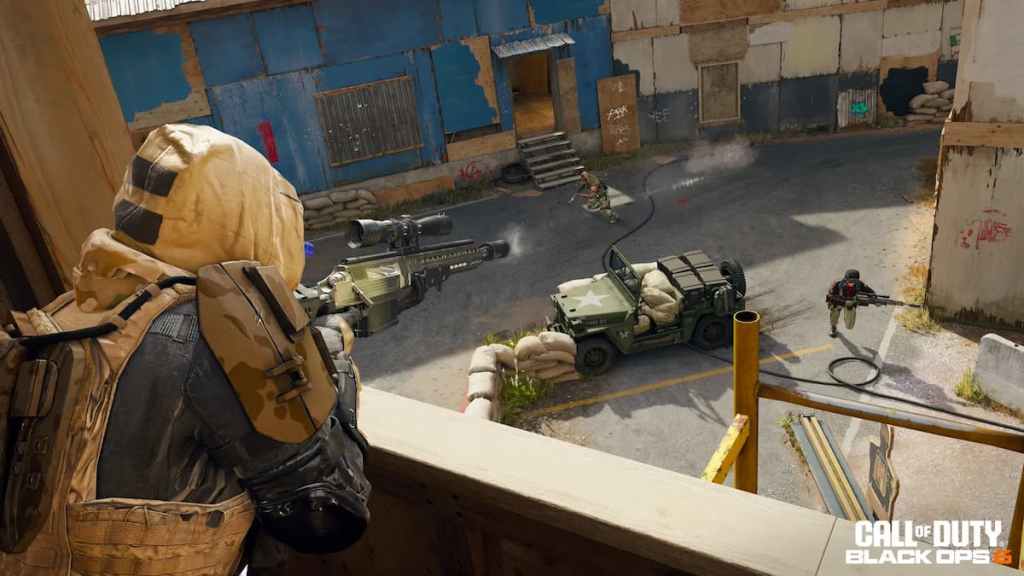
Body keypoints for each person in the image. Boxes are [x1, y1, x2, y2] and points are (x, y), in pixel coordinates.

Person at [0, 125, 369, 575]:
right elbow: (325, 518)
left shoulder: (70, 309)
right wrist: (332, 363)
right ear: (249, 216)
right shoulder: (213, 335)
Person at [826, 269, 876, 337]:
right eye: (850, 281)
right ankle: (833, 327)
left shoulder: (859, 284)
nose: (851, 283)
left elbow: (871, 293)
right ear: (845, 279)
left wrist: (875, 300)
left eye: (854, 281)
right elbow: (830, 296)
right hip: (837, 303)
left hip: (849, 305)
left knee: (849, 326)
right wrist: (837, 301)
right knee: (834, 313)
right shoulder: (837, 284)